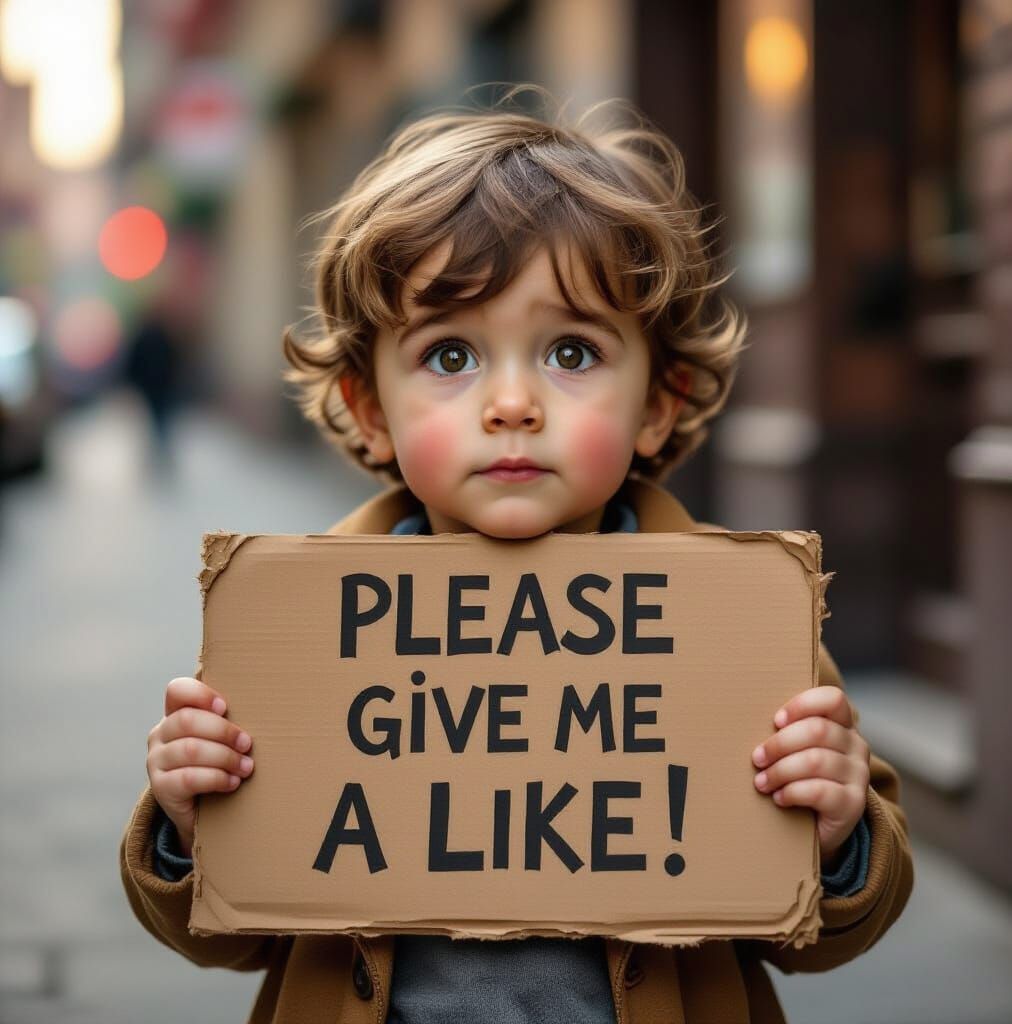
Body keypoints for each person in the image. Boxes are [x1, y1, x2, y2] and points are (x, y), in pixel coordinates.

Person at [120, 91, 913, 1024]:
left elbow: (824, 931)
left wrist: (839, 832)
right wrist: (185, 824)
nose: (511, 404)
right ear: (371, 408)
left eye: (571, 353)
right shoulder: (298, 636)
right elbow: (232, 934)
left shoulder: (735, 627)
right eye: (450, 357)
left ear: (658, 400)